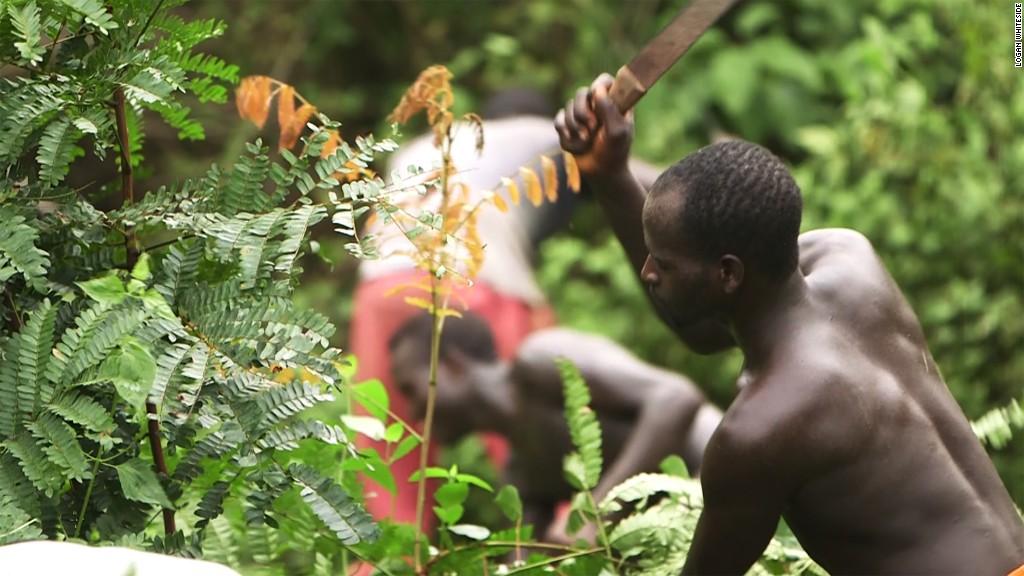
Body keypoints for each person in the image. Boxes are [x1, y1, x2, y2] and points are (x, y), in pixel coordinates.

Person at [553, 74, 1024, 575]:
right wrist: (609, 174)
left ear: (728, 273)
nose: (648, 272)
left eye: (663, 264)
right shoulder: (850, 258)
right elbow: (705, 329)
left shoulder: (760, 431)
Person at [347, 86, 663, 533]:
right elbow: (658, 181)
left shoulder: (419, 147)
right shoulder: (537, 131)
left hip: (380, 286)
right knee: (541, 408)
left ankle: (391, 560)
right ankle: (576, 538)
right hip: (470, 274)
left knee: (383, 456)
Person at [387, 310, 722, 544]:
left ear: (454, 367)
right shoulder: (522, 476)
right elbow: (526, 564)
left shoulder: (540, 359)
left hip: (728, 473)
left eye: (410, 390)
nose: (414, 412)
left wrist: (594, 512)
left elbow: (675, 397)